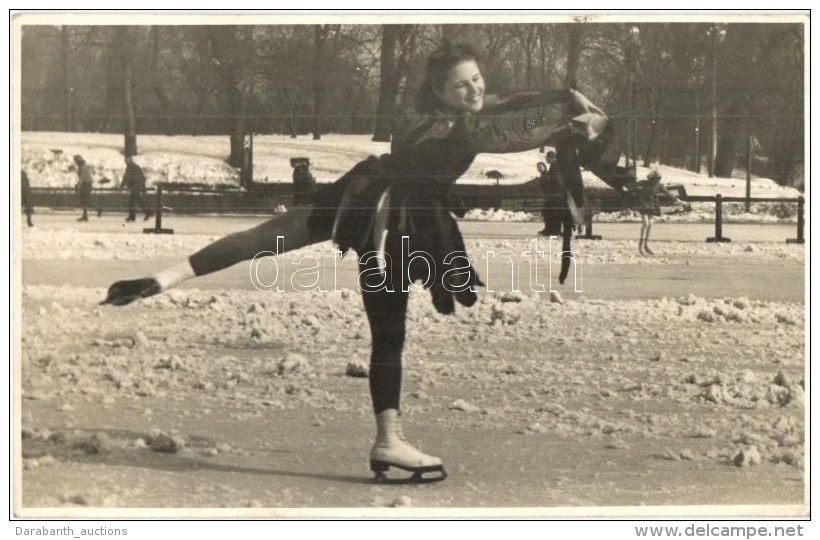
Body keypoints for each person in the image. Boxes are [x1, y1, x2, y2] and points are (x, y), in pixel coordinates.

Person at [101, 41, 612, 483]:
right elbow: (503, 131)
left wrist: (568, 101)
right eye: (461, 86)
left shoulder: (446, 113)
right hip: (393, 220)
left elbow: (507, 103)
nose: (474, 90)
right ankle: (388, 439)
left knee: (286, 241)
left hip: (365, 194)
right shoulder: (458, 127)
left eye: (476, 78)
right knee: (383, 326)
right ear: (440, 92)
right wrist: (570, 124)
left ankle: (166, 278)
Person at [121, 156, 153, 222]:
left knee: (132, 202)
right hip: (137, 186)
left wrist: (122, 185)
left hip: (135, 186)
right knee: (136, 200)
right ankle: (147, 213)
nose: (125, 161)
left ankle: (145, 213)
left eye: (126, 159)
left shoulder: (130, 167)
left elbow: (127, 176)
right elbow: (142, 177)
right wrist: (143, 187)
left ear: (129, 160)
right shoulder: (135, 166)